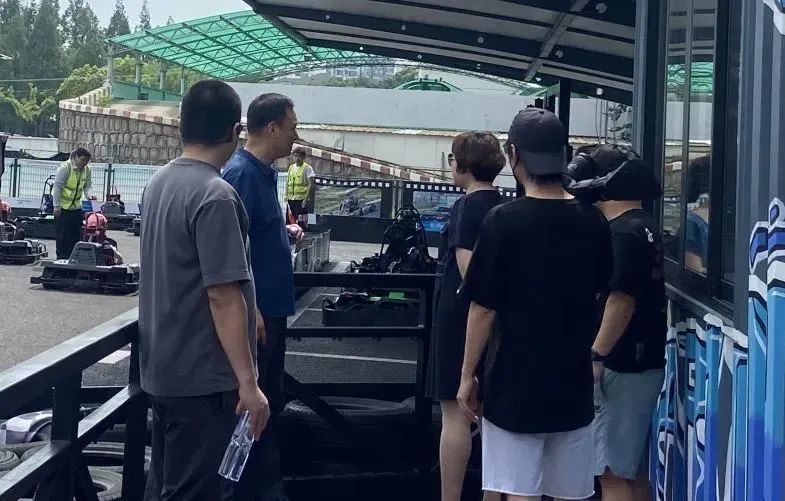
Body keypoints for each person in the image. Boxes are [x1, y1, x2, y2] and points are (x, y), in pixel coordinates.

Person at [457, 108, 613, 501]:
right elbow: (602, 292)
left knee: (518, 491)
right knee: (570, 493)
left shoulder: (502, 221)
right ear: (563, 155)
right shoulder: (593, 222)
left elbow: (483, 308)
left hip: (513, 382)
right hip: (573, 383)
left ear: (514, 156)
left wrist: (467, 375)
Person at [138, 80, 270, 501]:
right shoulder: (216, 196)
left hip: (161, 369)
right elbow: (223, 295)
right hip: (204, 381)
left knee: (165, 486)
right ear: (235, 131)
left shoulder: (158, 183)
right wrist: (249, 384)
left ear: (182, 126)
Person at [571, 145, 666, 501]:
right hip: (640, 362)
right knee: (630, 469)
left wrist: (597, 355)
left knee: (610, 472)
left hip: (622, 363)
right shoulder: (643, 226)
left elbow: (621, 300)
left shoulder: (623, 233)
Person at [221, 93, 303, 501]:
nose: (295, 136)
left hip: (271, 311)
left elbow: (252, 235)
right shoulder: (241, 175)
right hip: (258, 316)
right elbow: (230, 249)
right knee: (252, 410)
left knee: (269, 405)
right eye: (291, 127)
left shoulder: (263, 175)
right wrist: (248, 308)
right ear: (271, 128)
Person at [426, 132, 505, 501]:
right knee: (492, 417)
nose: (451, 164)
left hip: (460, 319)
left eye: (452, 157)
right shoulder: (503, 205)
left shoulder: (466, 206)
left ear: (464, 164)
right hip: (500, 321)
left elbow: (469, 273)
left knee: (455, 413)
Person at [53, 147, 96, 259]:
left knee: (75, 235)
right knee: (62, 236)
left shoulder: (87, 169)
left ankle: (73, 258)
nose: (84, 163)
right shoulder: (65, 168)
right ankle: (61, 258)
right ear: (76, 157)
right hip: (63, 208)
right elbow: (57, 188)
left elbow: (87, 185)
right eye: (82, 160)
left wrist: (89, 195)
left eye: (87, 161)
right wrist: (56, 206)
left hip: (76, 207)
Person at [285, 146, 315, 229]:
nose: (297, 158)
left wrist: (305, 199)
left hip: (301, 200)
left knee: (302, 222)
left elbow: (310, 184)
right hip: (291, 199)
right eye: (295, 156)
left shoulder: (307, 168)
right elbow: (288, 182)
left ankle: (304, 234)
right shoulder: (291, 167)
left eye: (300, 156)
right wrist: (286, 196)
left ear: (303, 157)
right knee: (290, 222)